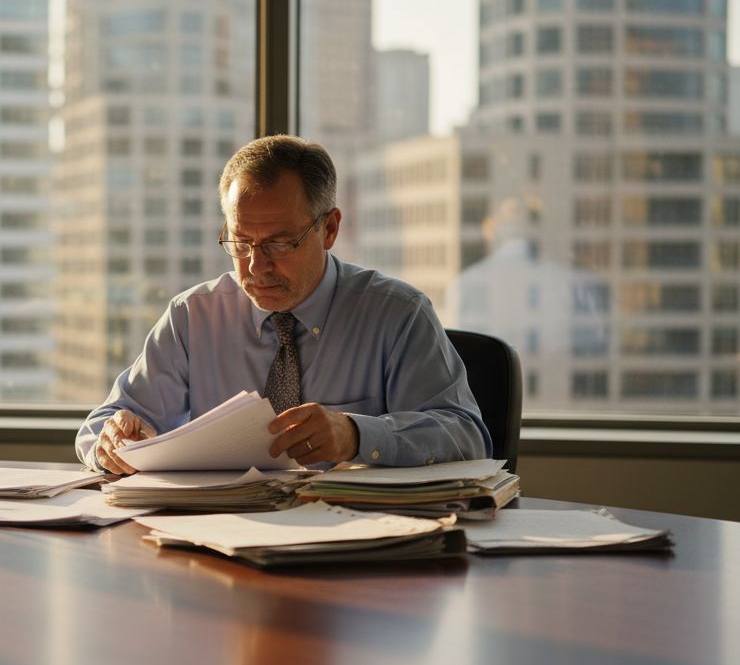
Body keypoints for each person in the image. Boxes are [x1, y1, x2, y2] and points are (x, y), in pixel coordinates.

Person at [76, 135, 490, 474]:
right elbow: (104, 423)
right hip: (218, 542)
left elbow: (466, 434)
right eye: (240, 242)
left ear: (329, 229)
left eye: (279, 243)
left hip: (356, 549)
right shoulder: (193, 317)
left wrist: (358, 436)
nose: (256, 265)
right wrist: (112, 441)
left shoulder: (397, 313)